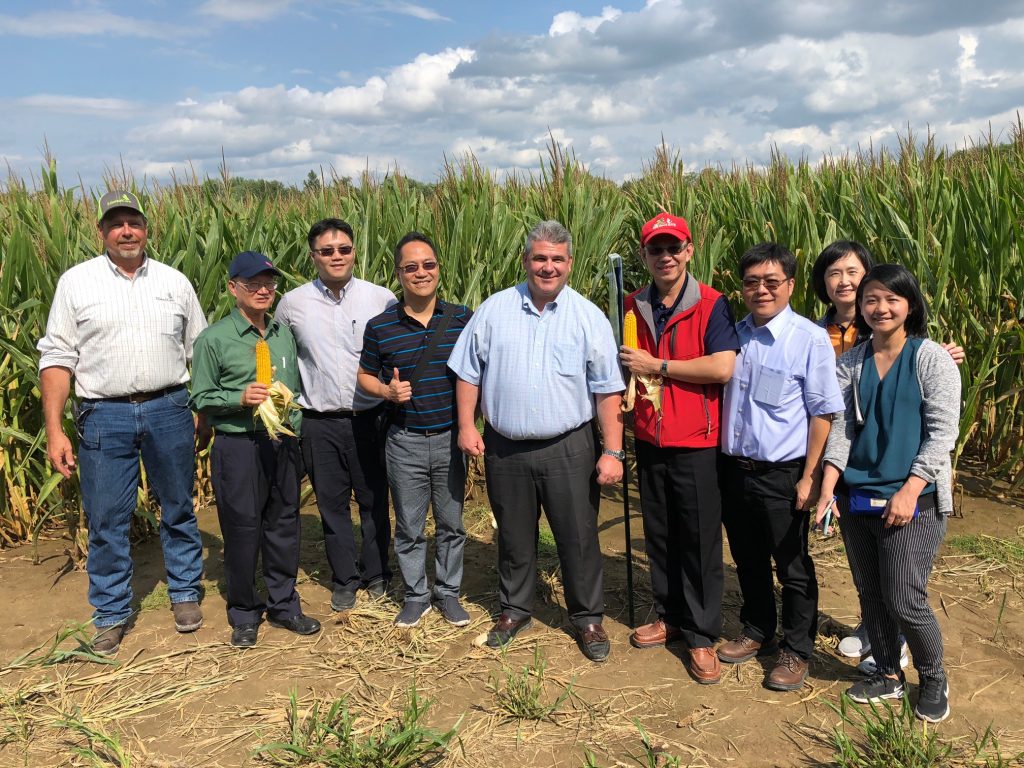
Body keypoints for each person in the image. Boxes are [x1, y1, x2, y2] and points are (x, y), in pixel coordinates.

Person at [38, 190, 207, 656]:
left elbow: (200, 351)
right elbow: (56, 357)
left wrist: (202, 412)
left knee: (178, 504)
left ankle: (185, 592)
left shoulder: (175, 282)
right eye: (116, 223)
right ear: (102, 232)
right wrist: (55, 429)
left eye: (133, 221)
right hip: (102, 414)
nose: (126, 231)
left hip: (168, 407)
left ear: (147, 228)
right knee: (107, 517)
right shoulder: (76, 283)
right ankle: (111, 613)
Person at [448, 220, 625, 662]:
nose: (548, 267)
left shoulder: (588, 316)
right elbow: (469, 372)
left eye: (557, 259)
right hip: (505, 446)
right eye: (540, 258)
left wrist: (613, 450)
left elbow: (607, 389)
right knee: (513, 534)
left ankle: (586, 618)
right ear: (526, 260)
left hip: (568, 446)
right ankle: (515, 609)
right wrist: (467, 426)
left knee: (578, 536)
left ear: (569, 263)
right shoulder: (493, 310)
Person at [815, 264, 960, 723]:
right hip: (860, 497)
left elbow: (942, 433)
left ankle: (933, 675)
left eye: (891, 299)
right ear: (860, 307)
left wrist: (911, 488)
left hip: (914, 499)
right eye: (871, 299)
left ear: (910, 305)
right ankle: (889, 675)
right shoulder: (851, 361)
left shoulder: (930, 358)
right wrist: (828, 488)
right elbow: (841, 430)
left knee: (904, 595)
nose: (880, 308)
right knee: (871, 592)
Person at [717, 242, 844, 691]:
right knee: (747, 557)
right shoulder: (735, 334)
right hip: (734, 468)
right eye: (752, 282)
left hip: (783, 471)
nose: (761, 290)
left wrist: (810, 476)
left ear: (789, 285)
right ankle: (756, 630)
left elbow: (823, 413)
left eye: (772, 282)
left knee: (791, 565)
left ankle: (797, 648)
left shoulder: (808, 339)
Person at [618, 213, 738, 685]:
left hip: (696, 441)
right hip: (651, 437)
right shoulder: (633, 305)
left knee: (699, 538)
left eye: (674, 247)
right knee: (661, 532)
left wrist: (658, 365)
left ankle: (702, 634)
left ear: (689, 250)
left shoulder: (711, 304)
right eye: (655, 249)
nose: (665, 257)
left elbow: (722, 367)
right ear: (645, 255)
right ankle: (667, 615)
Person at [190, 251, 321, 647]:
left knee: (284, 526)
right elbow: (200, 396)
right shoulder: (213, 339)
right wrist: (238, 396)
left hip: (280, 444)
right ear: (234, 288)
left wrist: (292, 424)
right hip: (238, 446)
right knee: (243, 529)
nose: (264, 290)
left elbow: (294, 388)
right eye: (253, 284)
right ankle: (245, 612)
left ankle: (284, 605)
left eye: (269, 284)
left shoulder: (282, 334)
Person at [275, 219, 397, 610]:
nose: (336, 256)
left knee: (375, 500)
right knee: (331, 503)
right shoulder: (292, 304)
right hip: (319, 420)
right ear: (313, 256)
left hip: (371, 416)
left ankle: (377, 572)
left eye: (343, 248)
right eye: (326, 251)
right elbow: (278, 356)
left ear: (354, 251)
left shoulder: (381, 299)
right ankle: (344, 577)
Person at [357, 232, 473, 629]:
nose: (420, 273)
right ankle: (416, 595)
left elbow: (478, 374)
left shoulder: (462, 319)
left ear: (439, 269)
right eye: (411, 267)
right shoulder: (381, 326)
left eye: (428, 265)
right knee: (408, 525)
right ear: (399, 273)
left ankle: (448, 593)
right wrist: (386, 391)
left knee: (451, 524)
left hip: (449, 437)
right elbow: (364, 377)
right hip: (403, 440)